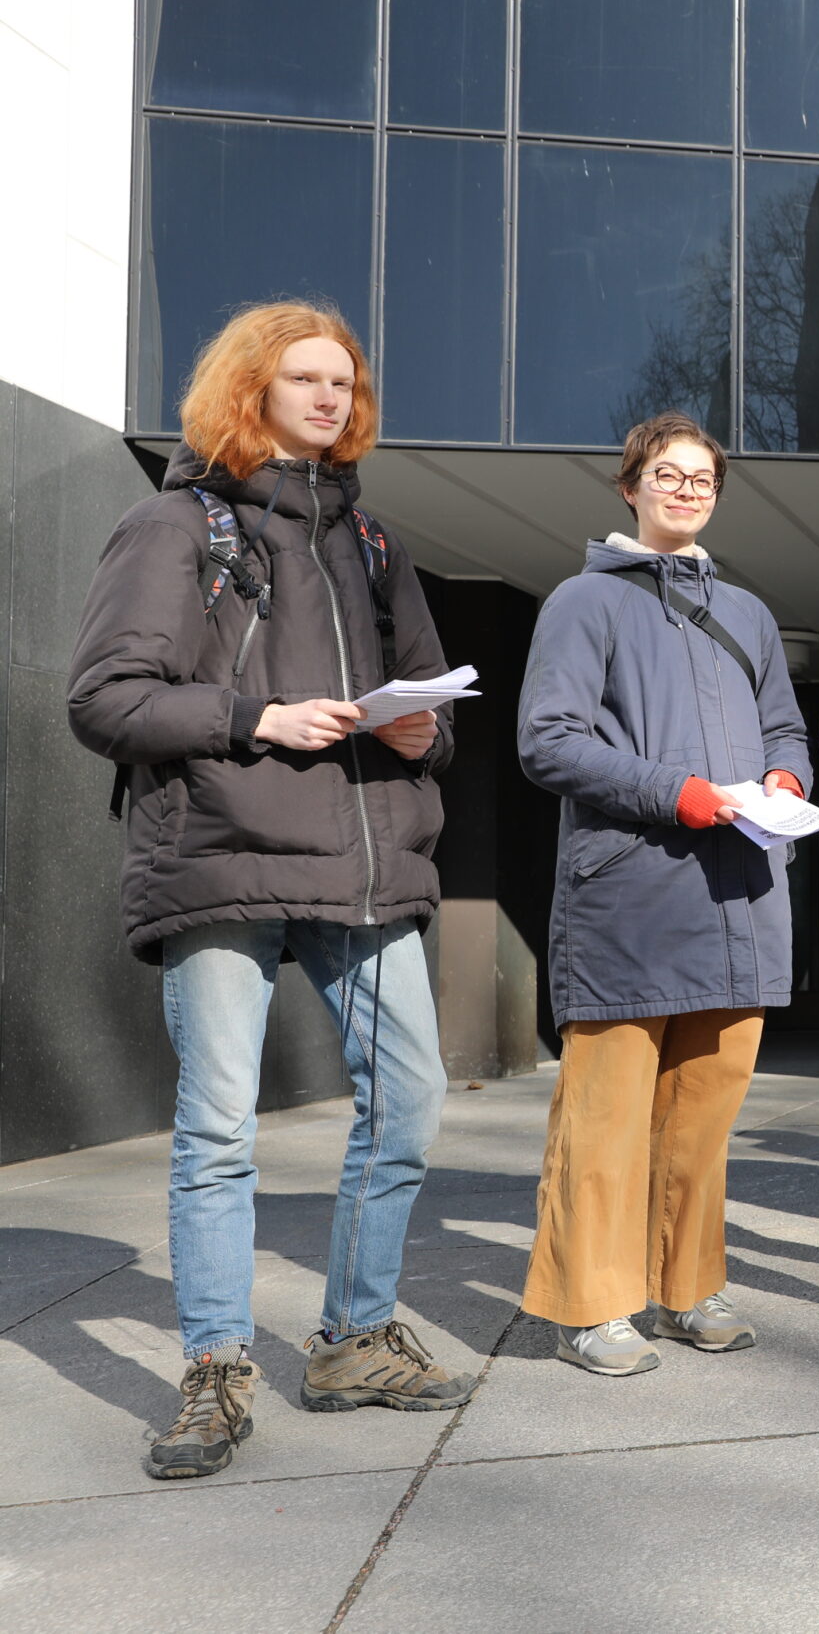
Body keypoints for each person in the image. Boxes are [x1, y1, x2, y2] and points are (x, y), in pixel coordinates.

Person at [67, 300, 475, 1481]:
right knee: (216, 1133)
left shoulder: (377, 543)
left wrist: (420, 743)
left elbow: (430, 711)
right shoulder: (171, 525)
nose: (331, 397)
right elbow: (103, 699)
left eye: (345, 382)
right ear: (250, 387)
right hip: (222, 856)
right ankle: (213, 1368)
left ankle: (352, 1338)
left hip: (364, 863)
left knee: (410, 1100)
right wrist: (257, 717)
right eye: (306, 378)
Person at [517, 412, 810, 1373]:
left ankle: (686, 1288)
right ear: (630, 486)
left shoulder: (750, 612)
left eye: (702, 478)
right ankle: (590, 1304)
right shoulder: (580, 602)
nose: (686, 489)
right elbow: (548, 742)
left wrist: (785, 784)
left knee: (704, 1117)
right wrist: (676, 793)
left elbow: (786, 730)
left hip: (740, 895)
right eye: (667, 474)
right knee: (604, 1117)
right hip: (631, 895)